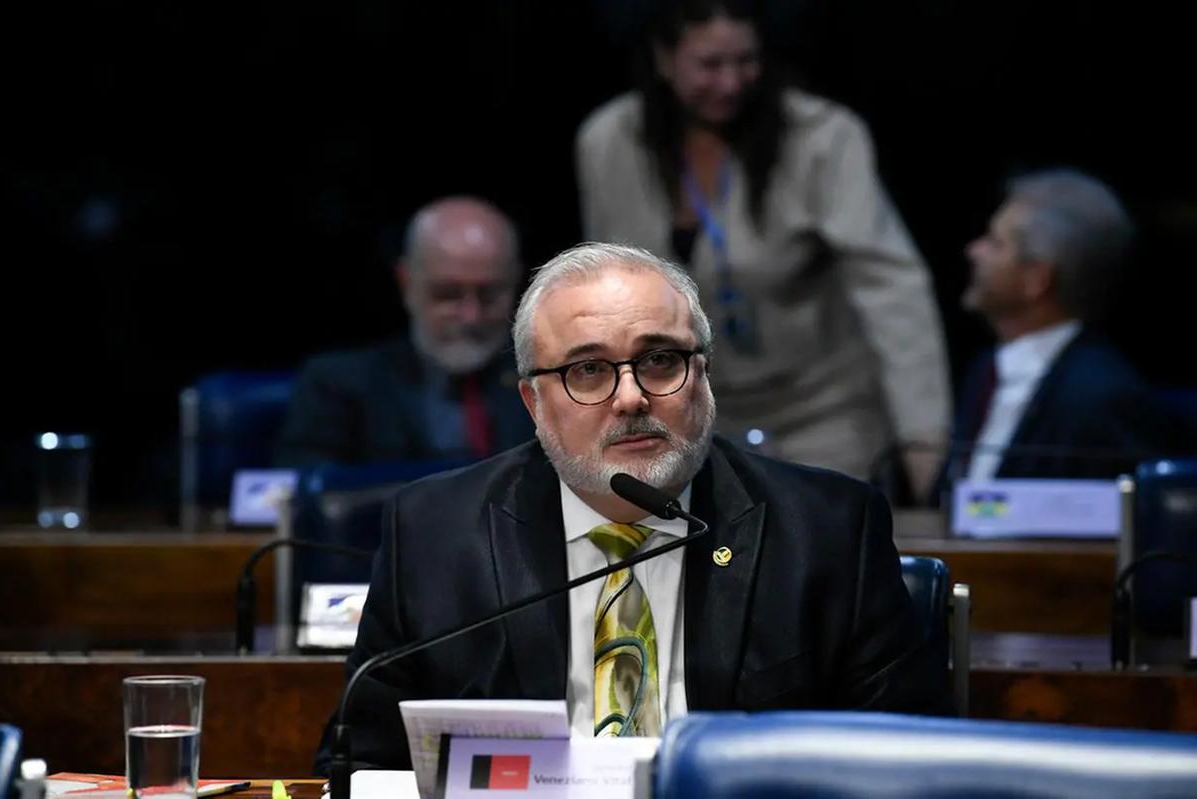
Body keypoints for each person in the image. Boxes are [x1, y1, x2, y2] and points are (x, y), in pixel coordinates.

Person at [315, 242, 950, 773]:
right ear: (535, 404)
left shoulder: (828, 530)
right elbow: (361, 766)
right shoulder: (434, 533)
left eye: (659, 360)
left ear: (700, 375)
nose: (630, 397)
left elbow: (906, 767)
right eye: (587, 370)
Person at [574, 0, 950, 500]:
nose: (731, 83)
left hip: (823, 414)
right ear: (664, 60)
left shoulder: (824, 137)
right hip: (684, 412)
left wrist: (923, 438)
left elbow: (891, 290)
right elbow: (605, 293)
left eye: (745, 62)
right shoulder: (609, 142)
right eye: (710, 65)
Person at [940, 168, 1188, 485]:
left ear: (1036, 279)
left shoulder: (1103, 397)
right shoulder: (984, 371)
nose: (974, 250)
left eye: (995, 242)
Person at [275, 196, 535, 466]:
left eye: (489, 294)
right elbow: (296, 496)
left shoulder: (545, 380)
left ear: (515, 282)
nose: (471, 316)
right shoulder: (336, 386)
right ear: (406, 282)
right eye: (447, 295)